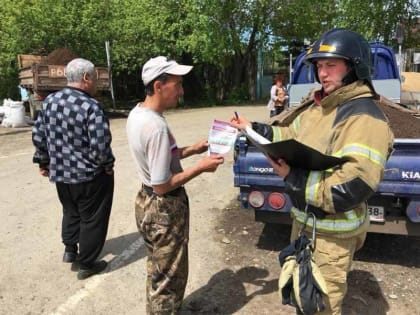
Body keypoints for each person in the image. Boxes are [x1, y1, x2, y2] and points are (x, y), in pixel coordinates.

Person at [231, 28, 394, 315]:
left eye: (331, 65)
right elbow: (289, 134)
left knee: (320, 308)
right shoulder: (320, 107)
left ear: (355, 67)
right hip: (306, 226)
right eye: (319, 66)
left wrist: (291, 177)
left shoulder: (364, 117)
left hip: (332, 237)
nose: (322, 73)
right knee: (303, 300)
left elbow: (351, 188)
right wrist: (254, 129)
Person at [126, 56, 224, 314]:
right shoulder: (155, 126)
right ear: (158, 86)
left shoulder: (138, 114)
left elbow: (162, 156)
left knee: (157, 270)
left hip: (145, 202)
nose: (181, 91)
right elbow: (162, 184)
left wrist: (193, 148)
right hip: (163, 208)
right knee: (168, 280)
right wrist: (201, 167)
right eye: (177, 85)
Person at [32, 58, 114, 280]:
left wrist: (43, 161)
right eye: (95, 79)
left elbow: (39, 136)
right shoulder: (91, 106)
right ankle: (86, 263)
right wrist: (107, 165)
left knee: (70, 210)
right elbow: (99, 146)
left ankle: (70, 250)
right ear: (86, 78)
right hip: (88, 176)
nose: (96, 84)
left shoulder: (49, 102)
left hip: (60, 175)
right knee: (92, 218)